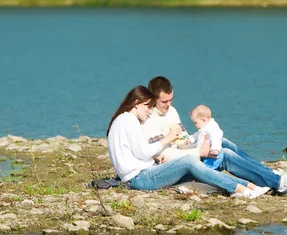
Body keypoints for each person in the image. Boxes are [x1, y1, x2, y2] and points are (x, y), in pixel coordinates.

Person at [141, 77, 287, 196]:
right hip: (175, 167)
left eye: (171, 100)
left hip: (185, 157)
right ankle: (278, 183)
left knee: (223, 142)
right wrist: (199, 152)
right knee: (226, 156)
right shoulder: (146, 119)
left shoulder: (171, 112)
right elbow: (158, 155)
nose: (169, 105)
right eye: (164, 102)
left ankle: (268, 173)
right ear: (152, 98)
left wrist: (198, 142)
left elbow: (182, 141)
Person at [106, 85, 269, 198]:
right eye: (147, 107)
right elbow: (142, 152)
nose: (149, 111)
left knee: (195, 171)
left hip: (142, 173)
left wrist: (154, 158)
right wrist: (168, 138)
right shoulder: (129, 121)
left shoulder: (123, 119)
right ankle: (241, 189)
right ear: (136, 103)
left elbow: (138, 153)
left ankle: (250, 187)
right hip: (139, 179)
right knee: (189, 161)